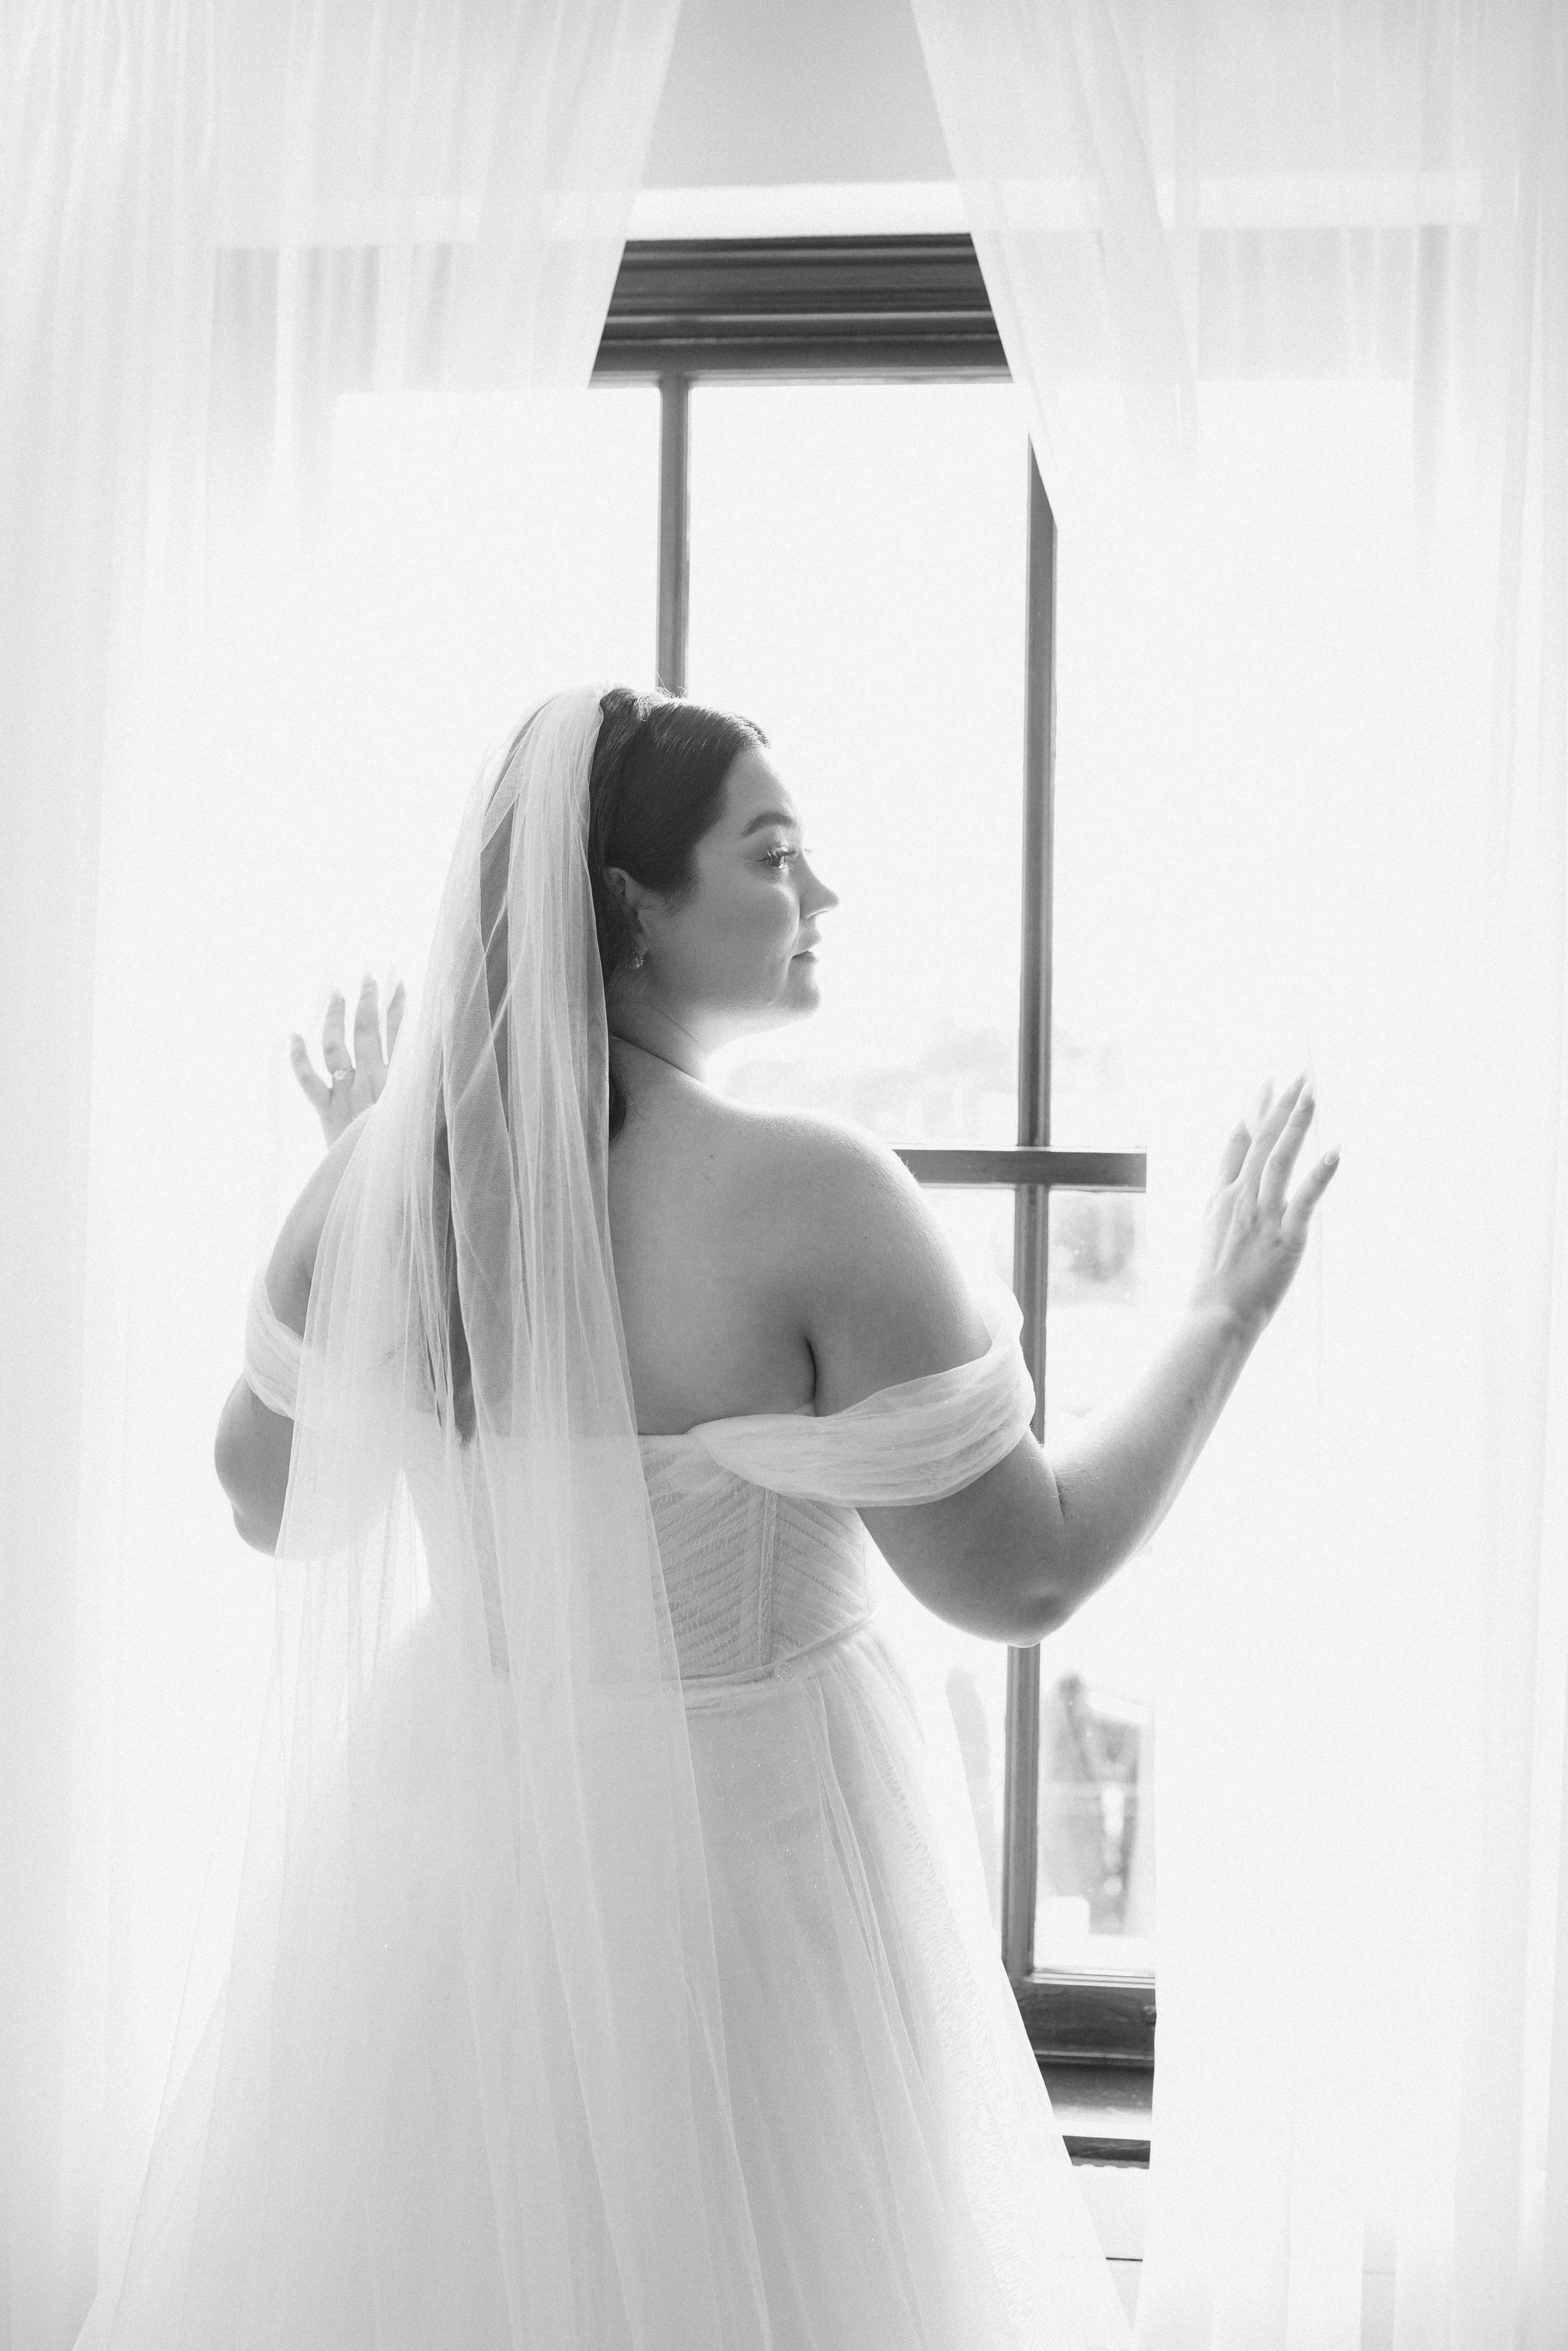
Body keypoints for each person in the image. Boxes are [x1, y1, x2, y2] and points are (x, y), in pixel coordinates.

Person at [80, 684, 1335, 2350]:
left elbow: (269, 1507)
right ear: (628, 913)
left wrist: (366, 1191)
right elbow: (1026, 1570)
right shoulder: (807, 1192)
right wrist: (1224, 1314)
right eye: (772, 855)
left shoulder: (393, 1173)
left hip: (451, 1870)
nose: (820, 899)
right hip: (749, 1878)